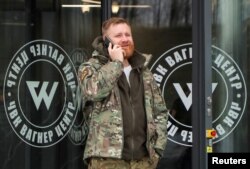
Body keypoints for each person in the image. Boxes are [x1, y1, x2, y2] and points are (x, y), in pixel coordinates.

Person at [78, 17, 168, 169]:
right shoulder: (90, 67)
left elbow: (160, 111)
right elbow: (93, 92)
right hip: (106, 160)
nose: (125, 39)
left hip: (144, 160)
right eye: (118, 36)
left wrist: (158, 149)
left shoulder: (143, 71)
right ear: (106, 40)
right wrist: (116, 64)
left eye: (128, 34)